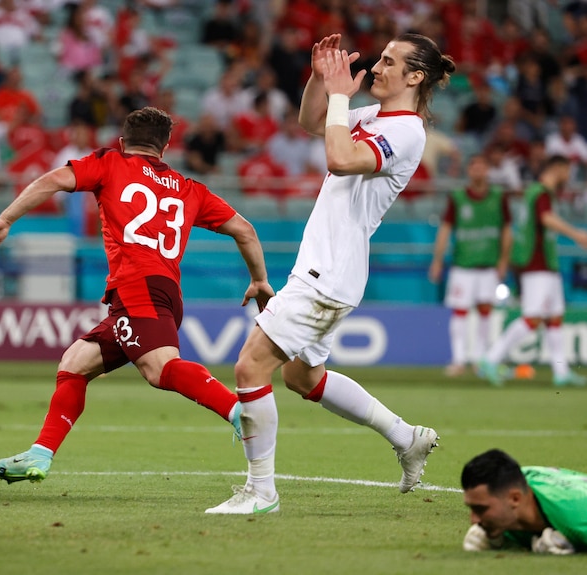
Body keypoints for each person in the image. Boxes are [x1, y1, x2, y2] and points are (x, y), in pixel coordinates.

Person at [206, 33, 455, 515]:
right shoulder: (375, 118)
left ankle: (261, 493)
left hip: (329, 273)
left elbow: (340, 160)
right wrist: (321, 81)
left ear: (415, 76)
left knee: (249, 368)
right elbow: (313, 122)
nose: (377, 68)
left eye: (388, 61)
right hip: (328, 270)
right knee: (303, 377)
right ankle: (407, 437)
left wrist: (342, 94)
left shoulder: (406, 132)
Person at [0, 106, 274, 485]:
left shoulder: (110, 163)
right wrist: (259, 280)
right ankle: (41, 452)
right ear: (165, 148)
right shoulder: (190, 189)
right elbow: (245, 230)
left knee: (160, 368)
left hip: (137, 287)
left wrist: (6, 218)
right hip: (162, 291)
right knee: (74, 364)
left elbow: (52, 180)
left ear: (123, 142)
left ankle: (240, 412)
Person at [478, 155, 587, 387]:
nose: (570, 176)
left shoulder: (536, 192)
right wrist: (577, 234)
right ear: (558, 168)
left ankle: (561, 372)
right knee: (533, 317)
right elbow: (546, 219)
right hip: (536, 263)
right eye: (568, 170)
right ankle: (490, 359)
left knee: (555, 316)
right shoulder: (541, 193)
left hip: (546, 262)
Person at [429, 154, 512, 376]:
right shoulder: (457, 197)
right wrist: (437, 260)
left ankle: (479, 359)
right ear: (469, 171)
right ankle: (458, 360)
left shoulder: (498, 197)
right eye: (474, 166)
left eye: (482, 166)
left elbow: (506, 230)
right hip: (462, 265)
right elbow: (445, 229)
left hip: (488, 265)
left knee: (485, 311)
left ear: (487, 170)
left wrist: (504, 260)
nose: (478, 171)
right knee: (460, 311)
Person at [461, 448, 587, 554]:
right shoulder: (513, 483)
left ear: (515, 499)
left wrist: (576, 545)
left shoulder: (576, 518)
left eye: (481, 509)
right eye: (471, 508)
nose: (473, 521)